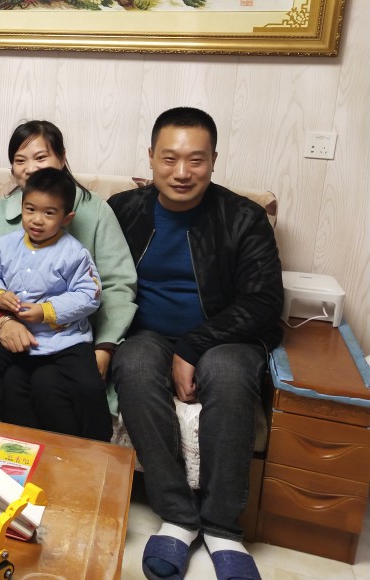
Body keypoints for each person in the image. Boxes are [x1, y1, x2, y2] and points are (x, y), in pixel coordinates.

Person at [108, 107, 283, 580]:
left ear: (214, 160)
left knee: (227, 372)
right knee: (134, 364)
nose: (182, 172)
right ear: (151, 157)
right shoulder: (124, 210)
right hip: (147, 333)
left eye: (196, 160)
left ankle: (223, 528)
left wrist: (192, 346)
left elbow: (264, 301)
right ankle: (178, 517)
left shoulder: (243, 217)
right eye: (169, 159)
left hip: (227, 336)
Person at [0, 120, 137, 425]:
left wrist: (104, 347)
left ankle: (87, 449)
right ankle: (0, 440)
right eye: (20, 160)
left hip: (69, 336)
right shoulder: (1, 216)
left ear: (61, 158)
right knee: (8, 377)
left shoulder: (93, 215)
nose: (30, 168)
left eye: (40, 157)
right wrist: (3, 319)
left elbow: (115, 285)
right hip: (17, 333)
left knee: (50, 384)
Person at [0, 168, 112, 441]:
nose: (37, 219)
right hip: (17, 335)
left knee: (88, 386)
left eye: (49, 213)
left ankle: (100, 444)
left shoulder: (75, 253)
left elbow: (89, 295)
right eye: (30, 209)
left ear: (66, 218)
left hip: (65, 338)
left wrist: (47, 311)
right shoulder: (6, 245)